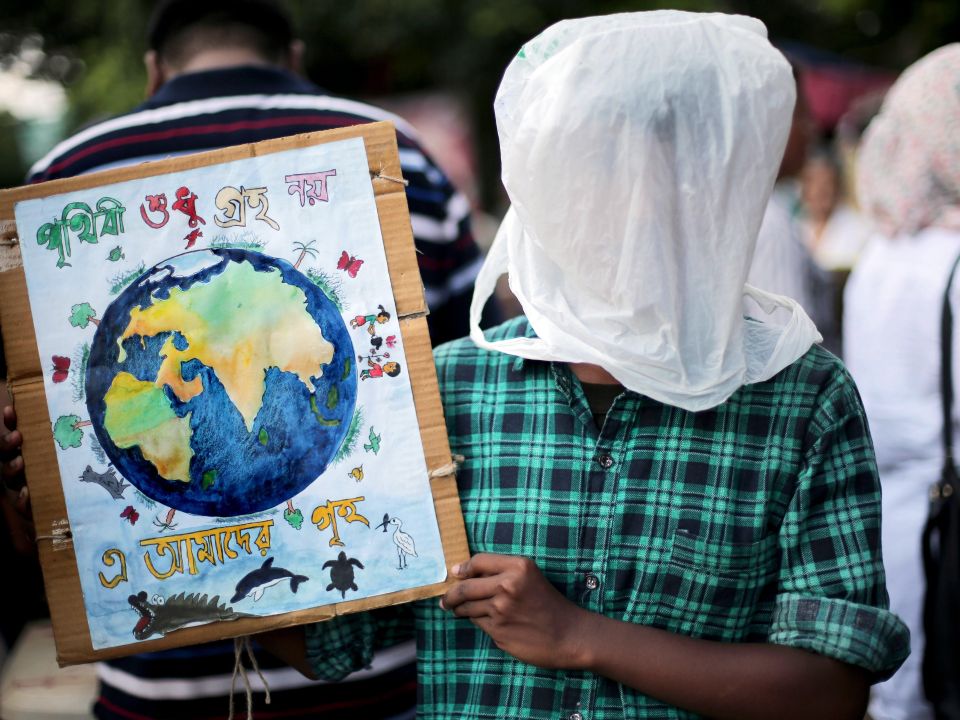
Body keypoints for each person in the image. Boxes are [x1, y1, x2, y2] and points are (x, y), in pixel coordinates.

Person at [258, 12, 910, 719]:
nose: (629, 208)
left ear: (721, 181)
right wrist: (226, 517)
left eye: (670, 171)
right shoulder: (447, 389)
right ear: (547, 183)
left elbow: (831, 691)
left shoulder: (803, 398)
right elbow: (329, 641)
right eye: (599, 170)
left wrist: (580, 637)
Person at [1, 0, 496, 718]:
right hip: (373, 680)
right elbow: (466, 381)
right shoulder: (393, 150)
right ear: (293, 57)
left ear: (152, 70)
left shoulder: (62, 182)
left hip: (158, 677)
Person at [844, 44, 960, 720]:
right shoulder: (951, 257)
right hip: (950, 521)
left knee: (899, 695)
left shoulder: (878, 249)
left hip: (889, 518)